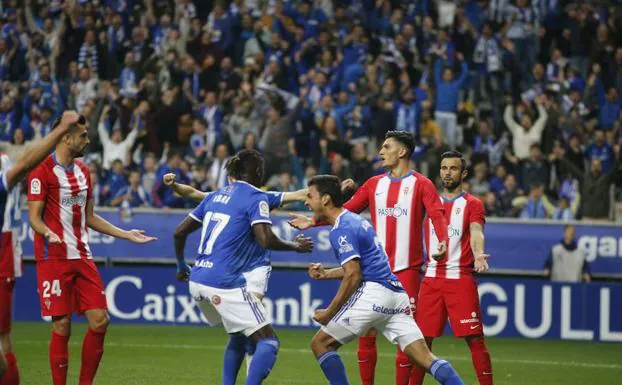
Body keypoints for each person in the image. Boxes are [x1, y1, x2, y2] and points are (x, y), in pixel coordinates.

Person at [289, 131, 449, 385]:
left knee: (404, 347)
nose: (380, 152)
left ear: (403, 151)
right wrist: (312, 222)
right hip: (374, 270)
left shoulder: (421, 184)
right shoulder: (374, 184)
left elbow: (437, 214)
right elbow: (343, 211)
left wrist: (442, 240)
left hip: (406, 268)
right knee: (368, 336)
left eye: (386, 147)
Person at [27, 114, 157, 385]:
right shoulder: (41, 171)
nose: (88, 140)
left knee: (100, 320)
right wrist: (47, 232)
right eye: (83, 135)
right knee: (61, 324)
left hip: (82, 256)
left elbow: (90, 217)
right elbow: (34, 218)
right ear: (66, 137)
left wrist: (126, 234)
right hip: (54, 258)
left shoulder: (84, 172)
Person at [304, 175, 465, 385]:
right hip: (396, 295)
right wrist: (326, 274)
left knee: (321, 344)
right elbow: (359, 267)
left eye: (309, 196)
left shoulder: (341, 229)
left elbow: (354, 274)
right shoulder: (356, 220)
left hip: (374, 295)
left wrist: (329, 312)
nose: (306, 201)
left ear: (325, 199)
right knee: (426, 358)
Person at [172, 149, 313, 385]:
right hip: (224, 282)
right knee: (268, 342)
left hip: (197, 279)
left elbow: (178, 232)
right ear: (258, 172)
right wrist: (295, 247)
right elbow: (265, 239)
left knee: (239, 336)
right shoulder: (256, 197)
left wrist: (180, 265)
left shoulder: (215, 196)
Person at [0, 111, 86, 385]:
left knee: (2, 339)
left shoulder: (5, 166)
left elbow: (25, 164)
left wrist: (61, 129)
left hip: (2, 254)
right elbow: (24, 164)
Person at [410, 151, 493, 385]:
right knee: (421, 342)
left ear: (463, 173)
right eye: (444, 168)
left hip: (460, 277)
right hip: (431, 279)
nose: (447, 173)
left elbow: (476, 231)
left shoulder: (472, 204)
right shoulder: (429, 202)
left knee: (475, 339)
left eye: (453, 168)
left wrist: (478, 254)